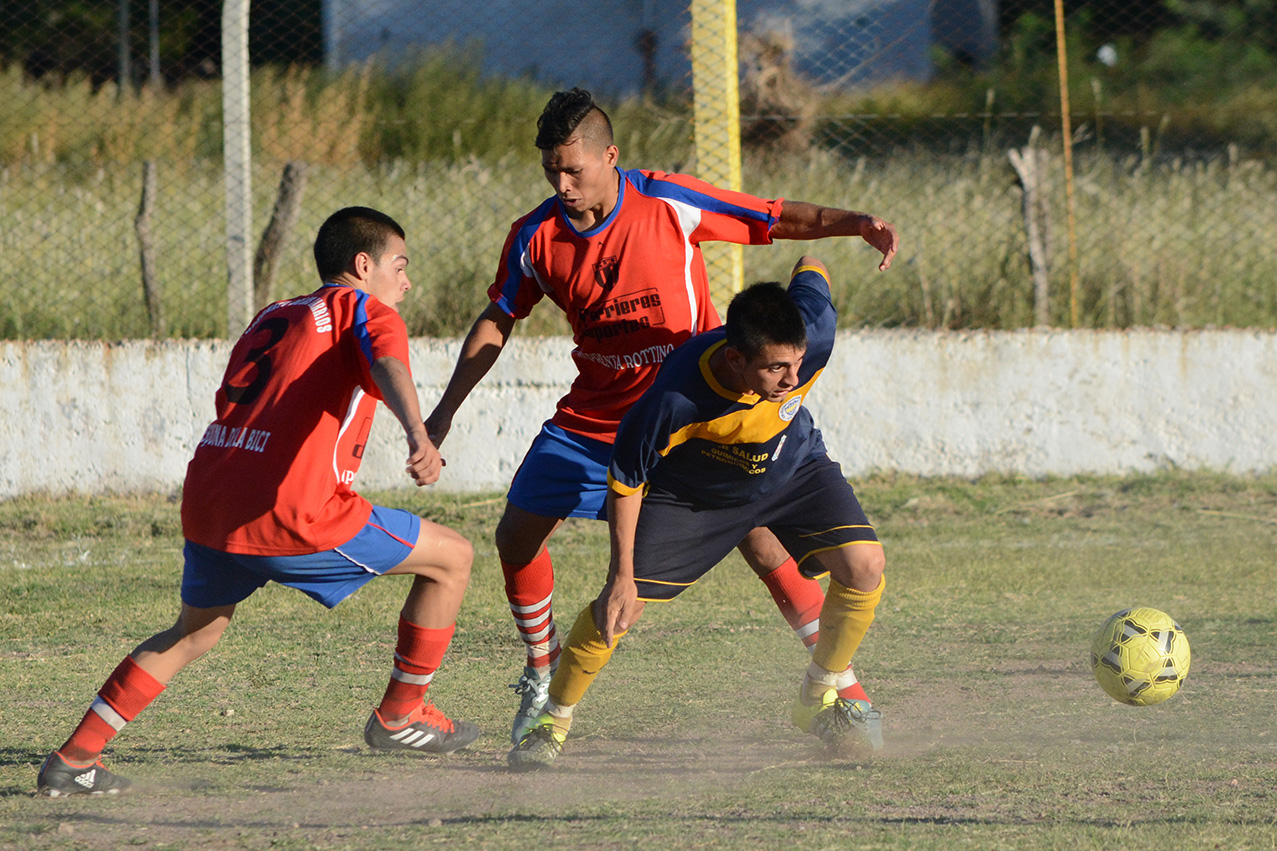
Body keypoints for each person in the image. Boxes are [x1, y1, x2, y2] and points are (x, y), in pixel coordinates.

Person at [425, 88, 898, 744]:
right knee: (515, 535)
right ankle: (542, 669)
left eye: (573, 169)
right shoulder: (535, 237)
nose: (561, 184)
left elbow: (772, 217)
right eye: (550, 172)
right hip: (594, 421)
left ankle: (840, 690)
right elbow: (498, 317)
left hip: (694, 422)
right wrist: (444, 410)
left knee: (764, 547)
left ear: (608, 156)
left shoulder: (665, 201)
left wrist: (855, 223)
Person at [36, 207, 480, 797]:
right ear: (363, 265)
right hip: (292, 509)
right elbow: (387, 362)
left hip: (212, 496)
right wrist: (418, 434)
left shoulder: (276, 312)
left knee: (195, 632)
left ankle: (72, 760)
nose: (406, 282)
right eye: (400, 266)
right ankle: (401, 716)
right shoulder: (365, 309)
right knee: (452, 556)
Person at [507, 256, 886, 770]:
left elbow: (812, 266)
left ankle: (818, 693)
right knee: (620, 608)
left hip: (793, 469)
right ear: (734, 360)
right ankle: (551, 722)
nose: (793, 378)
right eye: (776, 368)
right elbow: (626, 482)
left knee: (865, 567)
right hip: (693, 495)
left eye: (797, 363)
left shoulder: (811, 334)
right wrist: (621, 575)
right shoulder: (678, 395)